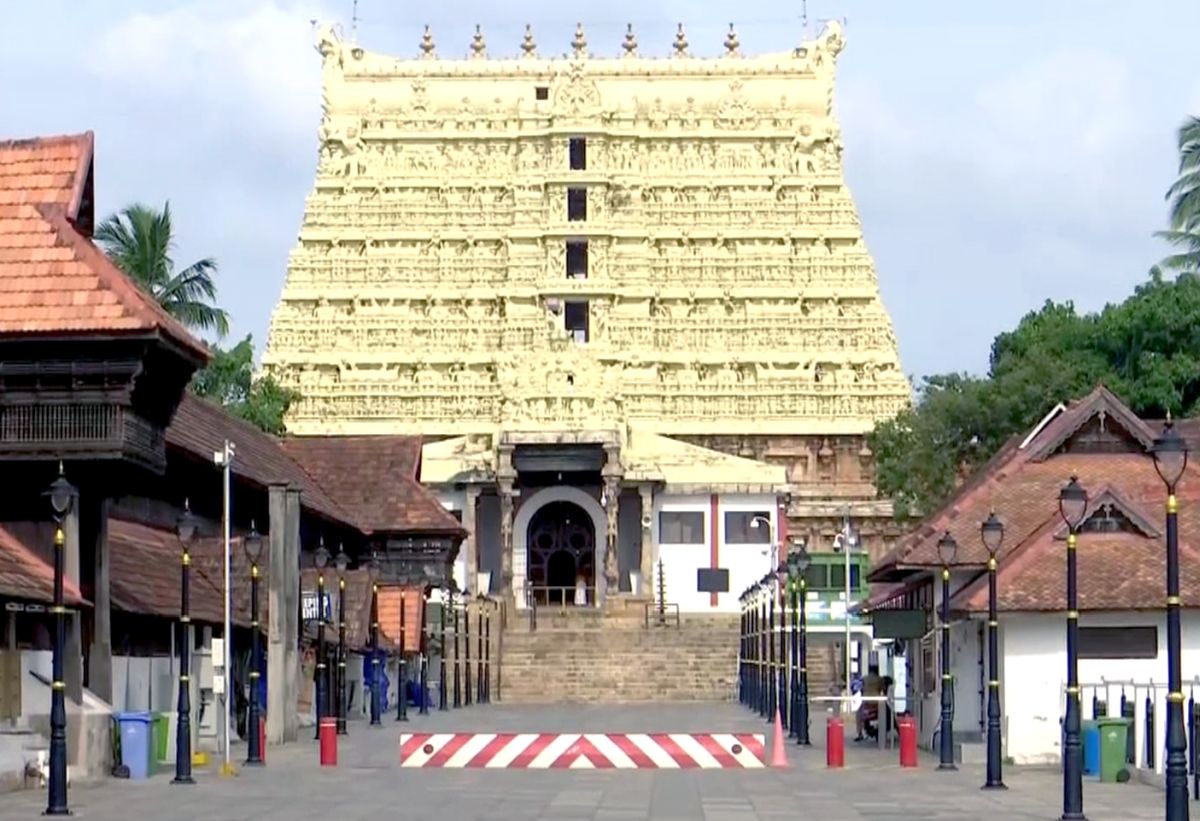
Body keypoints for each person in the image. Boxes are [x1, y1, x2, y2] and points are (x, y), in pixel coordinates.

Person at [855, 665, 884, 741]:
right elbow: (882, 689)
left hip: (866, 701)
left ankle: (859, 733)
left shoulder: (865, 678)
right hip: (876, 701)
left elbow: (862, 688)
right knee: (884, 712)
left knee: (858, 714)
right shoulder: (879, 679)